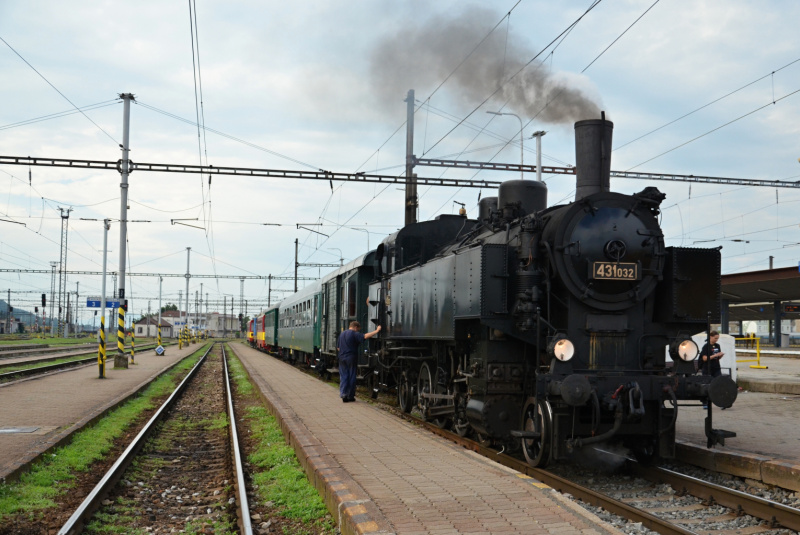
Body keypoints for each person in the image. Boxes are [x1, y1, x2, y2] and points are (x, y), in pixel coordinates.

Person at [337, 320, 381, 402]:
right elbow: (365, 336)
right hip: (351, 358)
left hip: (342, 357)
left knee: (343, 376)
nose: (358, 331)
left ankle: (343, 394)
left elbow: (338, 348)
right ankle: (350, 396)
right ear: (356, 327)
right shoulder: (354, 333)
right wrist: (377, 331)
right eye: (358, 329)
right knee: (351, 376)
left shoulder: (342, 334)